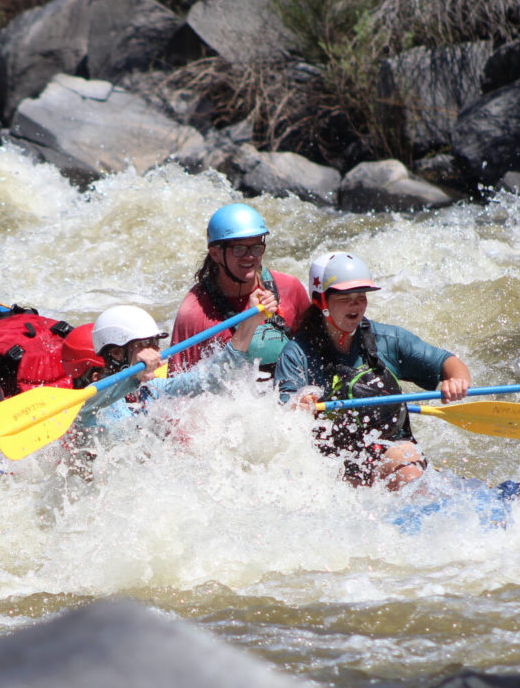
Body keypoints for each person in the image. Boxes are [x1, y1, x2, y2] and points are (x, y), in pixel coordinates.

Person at [274, 252, 471, 490]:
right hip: (332, 465)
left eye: (361, 297)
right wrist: (300, 404)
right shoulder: (296, 354)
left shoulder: (388, 340)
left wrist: (457, 380)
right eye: (345, 297)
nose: (356, 305)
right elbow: (284, 413)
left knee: (407, 470)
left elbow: (448, 362)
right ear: (321, 301)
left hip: (392, 449)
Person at [74, 291, 276, 440]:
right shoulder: (92, 401)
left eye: (155, 343)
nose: (155, 351)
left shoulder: (153, 390)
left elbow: (214, 378)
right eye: (144, 345)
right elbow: (95, 402)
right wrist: (132, 376)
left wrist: (251, 319)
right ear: (117, 352)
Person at [168, 203, 311, 375]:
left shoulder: (289, 288)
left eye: (256, 247)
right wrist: (250, 321)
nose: (250, 256)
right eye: (239, 249)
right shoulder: (194, 312)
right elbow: (177, 390)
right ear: (215, 254)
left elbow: (316, 353)